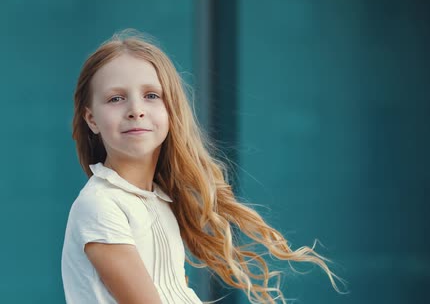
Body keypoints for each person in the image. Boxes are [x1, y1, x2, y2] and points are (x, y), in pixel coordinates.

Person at [61, 30, 344, 304]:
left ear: (172, 110)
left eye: (151, 95)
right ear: (91, 119)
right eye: (115, 98)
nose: (136, 109)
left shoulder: (158, 200)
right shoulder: (100, 206)